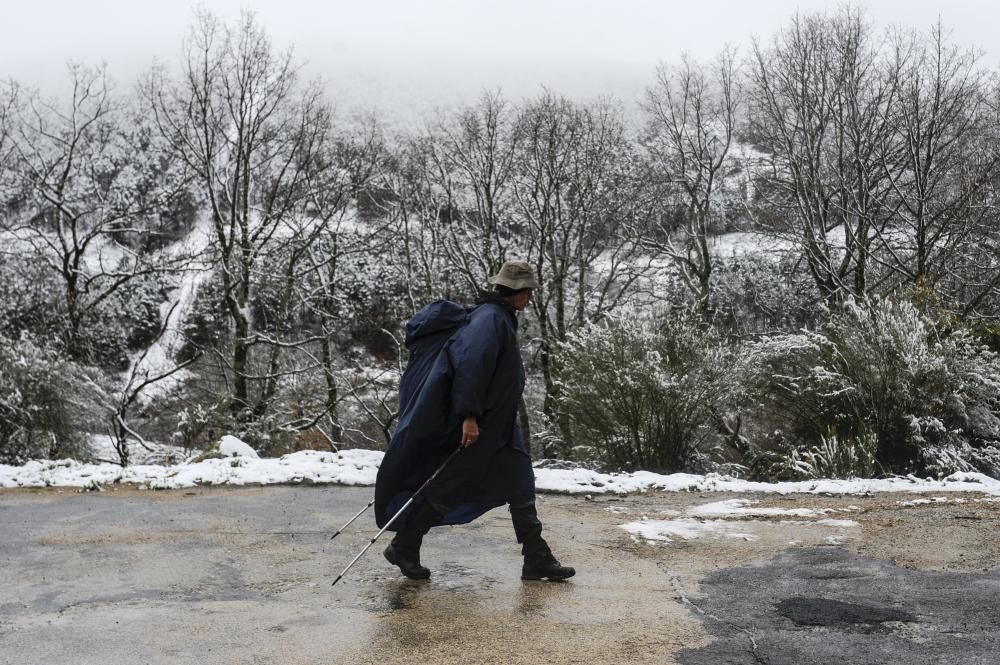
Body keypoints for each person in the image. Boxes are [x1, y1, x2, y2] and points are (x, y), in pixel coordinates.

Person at [373, 260, 575, 582]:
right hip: (481, 426)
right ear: (518, 293)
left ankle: (536, 558)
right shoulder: (490, 320)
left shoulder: (500, 317)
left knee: (521, 484)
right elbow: (470, 366)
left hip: (501, 428)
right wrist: (468, 416)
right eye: (528, 293)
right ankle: (404, 545)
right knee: (450, 487)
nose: (530, 299)